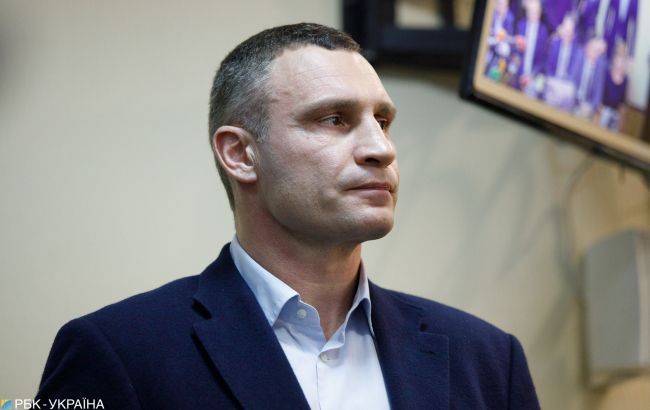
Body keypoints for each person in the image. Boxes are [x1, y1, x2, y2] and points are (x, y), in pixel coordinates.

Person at [36, 23, 540, 409]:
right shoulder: (118, 351)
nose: (381, 148)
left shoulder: (490, 360)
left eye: (383, 121)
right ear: (240, 154)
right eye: (334, 119)